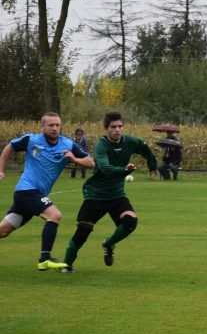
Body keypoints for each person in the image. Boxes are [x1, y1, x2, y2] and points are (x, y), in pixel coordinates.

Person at [59, 111, 158, 274]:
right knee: (83, 230)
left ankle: (108, 244)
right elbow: (104, 168)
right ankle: (66, 264)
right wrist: (124, 171)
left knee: (130, 223)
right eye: (113, 127)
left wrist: (153, 165)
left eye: (120, 126)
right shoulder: (101, 145)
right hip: (96, 194)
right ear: (106, 129)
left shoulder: (130, 142)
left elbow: (144, 146)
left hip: (116, 194)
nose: (117, 130)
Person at [0, 113, 94, 271]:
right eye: (51, 125)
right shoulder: (31, 140)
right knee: (54, 215)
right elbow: (9, 147)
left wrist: (74, 159)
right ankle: (44, 258)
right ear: (42, 127)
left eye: (57, 125)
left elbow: (91, 162)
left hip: (32, 196)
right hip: (27, 191)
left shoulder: (67, 144)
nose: (55, 128)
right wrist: (1, 170)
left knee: (2, 231)